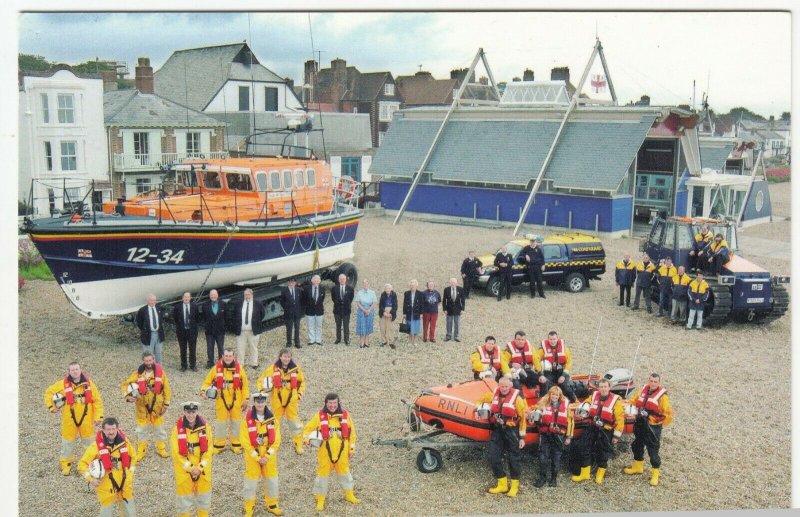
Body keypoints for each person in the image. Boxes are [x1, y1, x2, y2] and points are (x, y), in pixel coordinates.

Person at [302, 393, 361, 511]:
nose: (332, 405)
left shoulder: (345, 415)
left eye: (335, 403)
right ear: (326, 403)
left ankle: (349, 495)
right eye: (330, 403)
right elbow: (307, 429)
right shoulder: (319, 415)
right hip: (324, 453)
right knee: (322, 476)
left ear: (338, 403)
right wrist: (306, 439)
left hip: (342, 452)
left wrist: (352, 448)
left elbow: (352, 434)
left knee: (345, 473)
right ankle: (320, 499)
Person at [44, 361, 104, 475]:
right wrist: (51, 407)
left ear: (81, 370)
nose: (75, 371)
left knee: (89, 442)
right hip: (69, 419)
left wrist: (98, 416)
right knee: (67, 442)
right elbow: (48, 393)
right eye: (72, 370)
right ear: (69, 372)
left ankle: (90, 463)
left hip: (87, 418)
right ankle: (66, 464)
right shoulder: (62, 384)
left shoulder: (89, 384)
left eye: (77, 369)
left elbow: (97, 401)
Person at [476, 377, 528, 497]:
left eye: (506, 387)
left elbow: (523, 418)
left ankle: (514, 486)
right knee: (493, 456)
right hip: (498, 429)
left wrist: (522, 438)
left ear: (510, 387)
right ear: (499, 386)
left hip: (511, 431)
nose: (504, 389)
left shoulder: (518, 399)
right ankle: (502, 483)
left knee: (513, 459)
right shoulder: (493, 394)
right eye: (502, 386)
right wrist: (477, 409)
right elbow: (480, 400)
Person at [78, 417, 137, 517]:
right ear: (103, 430)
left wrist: (130, 474)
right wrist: (91, 479)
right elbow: (81, 465)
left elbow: (133, 457)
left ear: (117, 429)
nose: (111, 432)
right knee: (106, 514)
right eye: (108, 429)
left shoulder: (124, 442)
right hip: (106, 486)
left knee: (130, 513)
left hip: (125, 482)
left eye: (113, 429)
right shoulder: (95, 447)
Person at [623, 373, 674, 487]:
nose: (652, 383)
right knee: (637, 444)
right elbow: (634, 401)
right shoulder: (643, 391)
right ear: (648, 380)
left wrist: (656, 421)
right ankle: (638, 466)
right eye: (651, 381)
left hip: (652, 426)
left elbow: (668, 414)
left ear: (659, 383)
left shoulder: (663, 397)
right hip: (640, 422)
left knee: (653, 450)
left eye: (655, 382)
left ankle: (655, 473)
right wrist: (626, 404)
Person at [571, 378, 623, 485]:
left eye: (605, 387)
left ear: (609, 388)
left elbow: (620, 419)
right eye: (601, 387)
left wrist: (616, 436)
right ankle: (585, 473)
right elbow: (587, 402)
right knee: (583, 446)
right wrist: (584, 407)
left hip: (605, 430)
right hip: (593, 426)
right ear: (598, 388)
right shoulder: (594, 396)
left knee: (603, 452)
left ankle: (600, 474)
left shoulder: (615, 401)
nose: (603, 389)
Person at [240, 392, 283, 516]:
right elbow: (245, 441)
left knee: (272, 480)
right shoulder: (246, 420)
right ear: (254, 402)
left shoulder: (273, 419)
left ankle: (272, 505)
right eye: (257, 401)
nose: (260, 404)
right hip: (253, 457)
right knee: (250, 483)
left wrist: (267, 456)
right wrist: (257, 457)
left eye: (262, 401)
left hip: (269, 457)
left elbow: (276, 441)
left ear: (265, 402)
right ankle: (249, 508)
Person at [122, 352, 171, 459]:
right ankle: (141, 450)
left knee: (159, 430)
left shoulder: (161, 374)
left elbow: (167, 390)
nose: (148, 363)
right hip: (142, 409)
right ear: (143, 361)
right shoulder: (137, 374)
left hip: (157, 409)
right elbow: (125, 385)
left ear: (153, 359)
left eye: (150, 360)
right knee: (141, 431)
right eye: (146, 361)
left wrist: (165, 405)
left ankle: (161, 449)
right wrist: (127, 397)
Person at [201, 348, 249, 454]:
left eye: (230, 356)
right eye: (226, 356)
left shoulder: (240, 369)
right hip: (221, 399)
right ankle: (219, 445)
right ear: (222, 356)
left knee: (236, 422)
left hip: (236, 399)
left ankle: (236, 444)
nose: (228, 358)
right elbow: (206, 382)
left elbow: (245, 386)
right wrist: (204, 392)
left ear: (233, 357)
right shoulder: (215, 369)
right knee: (220, 423)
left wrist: (246, 399)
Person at [258, 348, 306, 455]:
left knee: (294, 422)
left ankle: (298, 443)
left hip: (291, 400)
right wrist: (262, 391)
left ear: (290, 358)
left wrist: (299, 394)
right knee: (274, 421)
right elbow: (262, 379)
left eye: (288, 357)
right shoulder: (273, 368)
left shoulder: (296, 369)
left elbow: (302, 382)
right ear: (280, 357)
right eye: (284, 356)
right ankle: (273, 442)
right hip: (277, 399)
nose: (286, 359)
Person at [170, 401, 213, 517]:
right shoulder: (176, 431)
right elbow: (176, 454)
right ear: (184, 412)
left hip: (203, 472)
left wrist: (199, 467)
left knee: (204, 501)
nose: (191, 415)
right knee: (183, 503)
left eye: (193, 412)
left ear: (197, 412)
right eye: (188, 412)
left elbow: (209, 451)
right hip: (184, 473)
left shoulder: (206, 428)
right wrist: (190, 468)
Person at [533, 386, 574, 488]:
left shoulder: (566, 406)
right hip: (545, 435)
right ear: (550, 395)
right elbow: (535, 411)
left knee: (556, 459)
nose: (554, 396)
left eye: (557, 395)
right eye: (553, 394)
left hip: (558, 436)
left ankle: (553, 479)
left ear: (560, 396)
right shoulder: (543, 404)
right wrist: (532, 416)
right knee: (543, 458)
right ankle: (542, 478)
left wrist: (568, 437)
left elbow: (571, 422)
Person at [534, 331, 576, 401]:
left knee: (565, 385)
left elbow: (569, 362)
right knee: (545, 383)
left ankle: (574, 400)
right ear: (548, 339)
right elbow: (536, 360)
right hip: (549, 372)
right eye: (550, 339)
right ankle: (544, 401)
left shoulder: (565, 349)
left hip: (561, 372)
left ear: (557, 339)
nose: (552, 341)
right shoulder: (542, 350)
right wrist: (540, 374)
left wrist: (563, 375)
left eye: (554, 339)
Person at [232, 288, 266, 370]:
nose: (247, 296)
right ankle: (240, 364)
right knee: (240, 348)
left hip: (252, 330)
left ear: (252, 294)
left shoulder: (258, 303)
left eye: (248, 294)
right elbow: (234, 315)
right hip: (241, 331)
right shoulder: (239, 303)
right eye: (245, 295)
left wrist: (255, 323)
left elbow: (262, 314)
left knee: (253, 347)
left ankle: (254, 363)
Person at [135, 293, 166, 364]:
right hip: (148, 335)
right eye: (151, 300)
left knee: (159, 353)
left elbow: (161, 320)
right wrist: (145, 330)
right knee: (148, 354)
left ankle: (158, 369)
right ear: (147, 301)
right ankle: (149, 370)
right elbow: (139, 322)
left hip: (158, 334)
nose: (153, 302)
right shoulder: (142, 310)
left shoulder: (159, 308)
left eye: (154, 300)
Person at [172, 292, 199, 371]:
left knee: (192, 349)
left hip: (192, 331)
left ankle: (193, 365)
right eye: (185, 297)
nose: (186, 298)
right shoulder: (177, 307)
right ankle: (183, 365)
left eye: (188, 297)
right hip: (181, 331)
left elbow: (197, 318)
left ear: (190, 298)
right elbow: (175, 318)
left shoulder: (194, 306)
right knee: (182, 349)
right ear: (182, 298)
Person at [200, 289, 226, 367]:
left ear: (217, 295)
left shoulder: (223, 304)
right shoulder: (205, 305)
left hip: (220, 330)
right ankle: (210, 362)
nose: (213, 296)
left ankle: (221, 362)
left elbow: (226, 317)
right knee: (210, 347)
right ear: (209, 296)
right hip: (209, 330)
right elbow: (204, 317)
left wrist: (224, 326)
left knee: (221, 347)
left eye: (214, 295)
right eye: (211, 295)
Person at [280, 279, 304, 349]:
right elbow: (282, 302)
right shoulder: (284, 291)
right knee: (289, 328)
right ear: (288, 283)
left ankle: (297, 343)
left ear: (295, 283)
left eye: (293, 282)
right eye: (290, 282)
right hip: (288, 313)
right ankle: (289, 343)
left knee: (297, 328)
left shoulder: (298, 290)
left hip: (297, 313)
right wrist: (287, 308)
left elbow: (301, 301)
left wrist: (300, 310)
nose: (291, 283)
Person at [331, 273, 354, 345]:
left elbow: (351, 299)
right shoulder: (334, 288)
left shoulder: (350, 288)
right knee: (338, 325)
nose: (342, 280)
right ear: (338, 280)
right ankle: (338, 339)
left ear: (346, 279)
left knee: (346, 325)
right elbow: (333, 298)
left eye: (343, 279)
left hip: (346, 310)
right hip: (337, 310)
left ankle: (346, 339)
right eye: (340, 279)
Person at [303, 275, 325, 346]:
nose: (316, 281)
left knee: (319, 326)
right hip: (309, 311)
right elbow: (304, 299)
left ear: (319, 281)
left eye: (317, 280)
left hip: (319, 311)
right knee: (310, 325)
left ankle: (318, 340)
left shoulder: (322, 288)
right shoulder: (306, 288)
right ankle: (311, 340)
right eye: (314, 280)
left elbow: (322, 299)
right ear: (312, 281)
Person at [354, 279, 377, 348]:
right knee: (362, 326)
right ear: (363, 285)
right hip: (361, 311)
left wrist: (369, 310)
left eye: (367, 284)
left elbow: (374, 302)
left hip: (370, 311)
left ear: (369, 285)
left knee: (368, 326)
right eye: (364, 284)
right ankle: (361, 343)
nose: (365, 285)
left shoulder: (372, 292)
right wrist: (364, 310)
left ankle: (366, 342)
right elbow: (357, 303)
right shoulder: (359, 293)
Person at [442, 277, 465, 342]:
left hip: (458, 309)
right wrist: (444, 309)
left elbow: (463, 300)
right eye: (452, 282)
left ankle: (457, 336)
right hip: (449, 309)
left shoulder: (460, 289)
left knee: (457, 323)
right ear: (450, 283)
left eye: (454, 282)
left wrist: (462, 309)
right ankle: (448, 335)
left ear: (456, 283)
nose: (453, 283)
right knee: (449, 323)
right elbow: (444, 300)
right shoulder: (446, 289)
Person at [402, 279, 424, 345]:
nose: (412, 287)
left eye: (414, 285)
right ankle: (409, 341)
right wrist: (404, 313)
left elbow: (422, 304)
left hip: (416, 313)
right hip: (409, 312)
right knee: (409, 327)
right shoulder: (406, 293)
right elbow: (404, 304)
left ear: (416, 286)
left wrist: (421, 313)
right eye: (411, 285)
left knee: (415, 327)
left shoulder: (420, 293)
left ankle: (414, 341)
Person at [378, 283, 398, 348]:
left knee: (390, 328)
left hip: (391, 312)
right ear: (385, 289)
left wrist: (390, 313)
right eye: (386, 288)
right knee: (383, 327)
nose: (388, 289)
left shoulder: (394, 295)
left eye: (389, 288)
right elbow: (380, 305)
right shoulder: (383, 294)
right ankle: (384, 341)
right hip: (383, 312)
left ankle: (391, 342)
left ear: (391, 289)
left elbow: (395, 305)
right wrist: (384, 312)